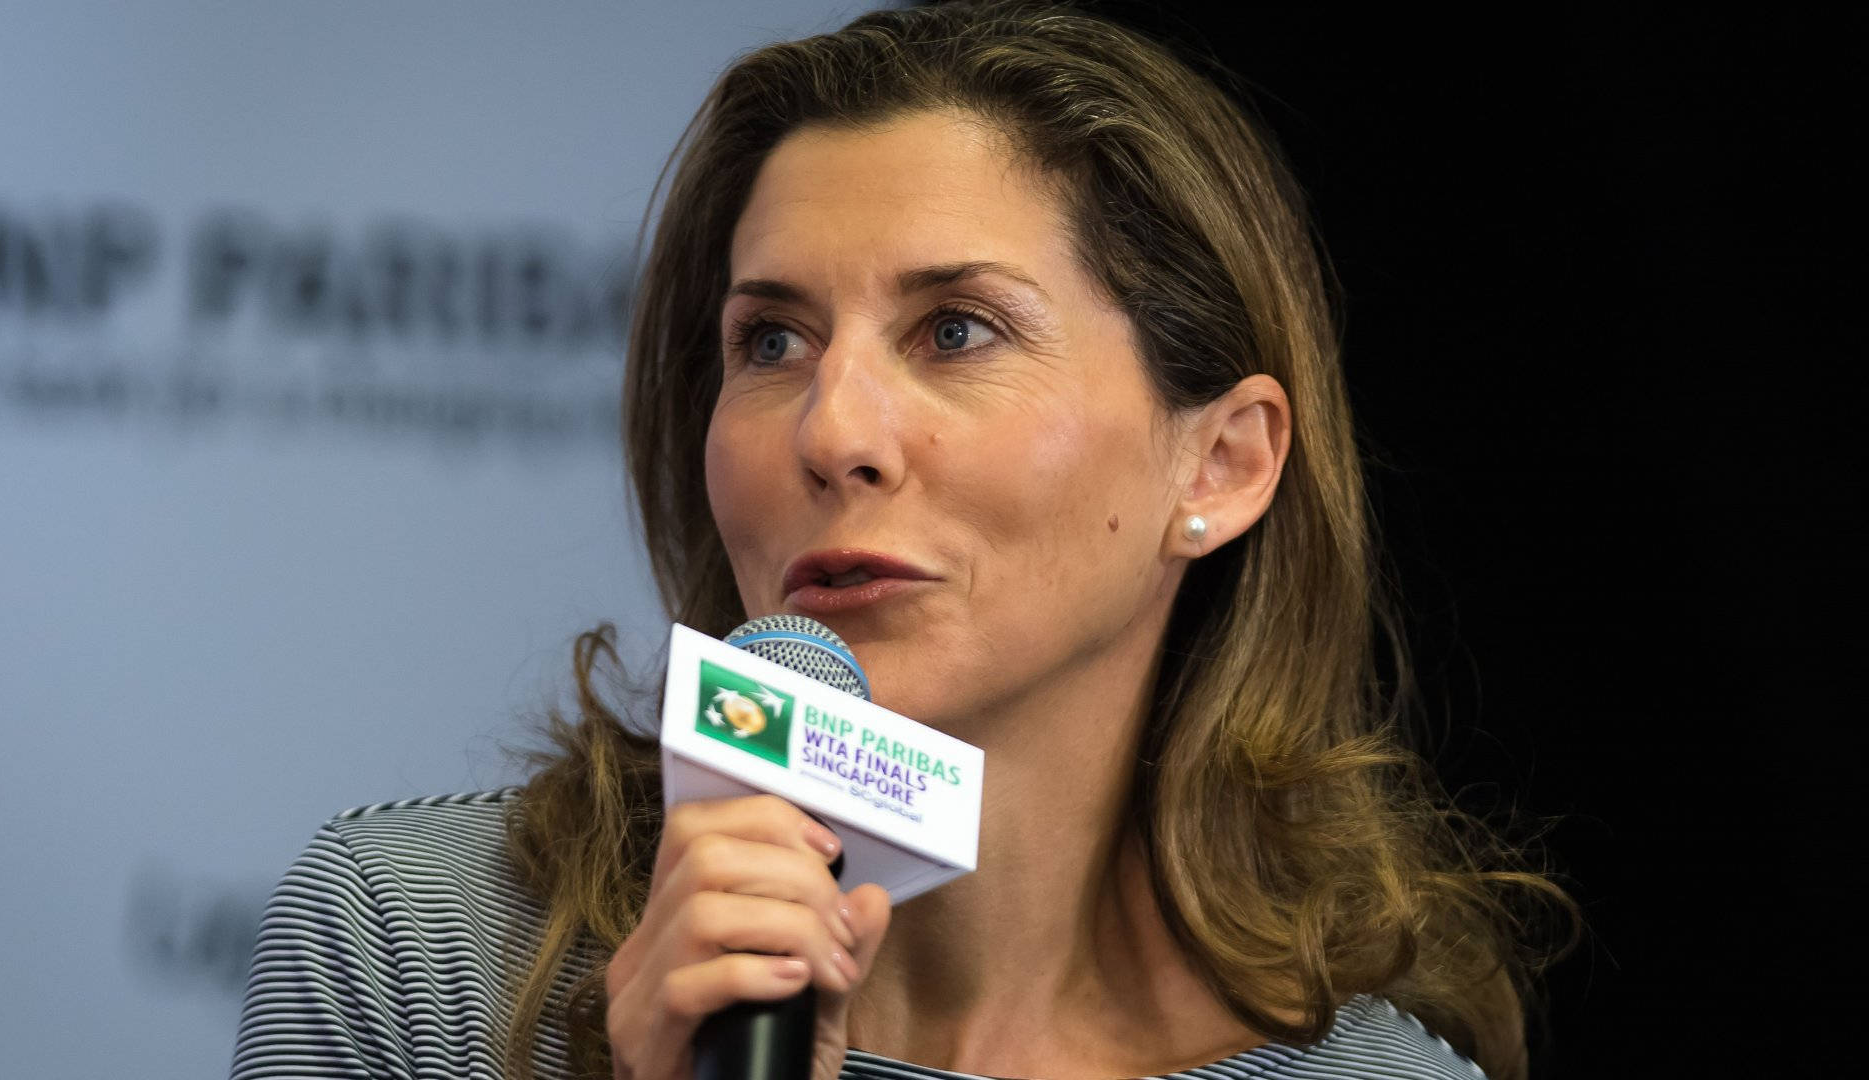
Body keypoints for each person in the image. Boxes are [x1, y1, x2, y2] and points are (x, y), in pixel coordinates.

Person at [230, 3, 1575, 1079]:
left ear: (1219, 464)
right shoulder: (413, 949)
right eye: (771, 340)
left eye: (955, 331)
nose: (832, 430)